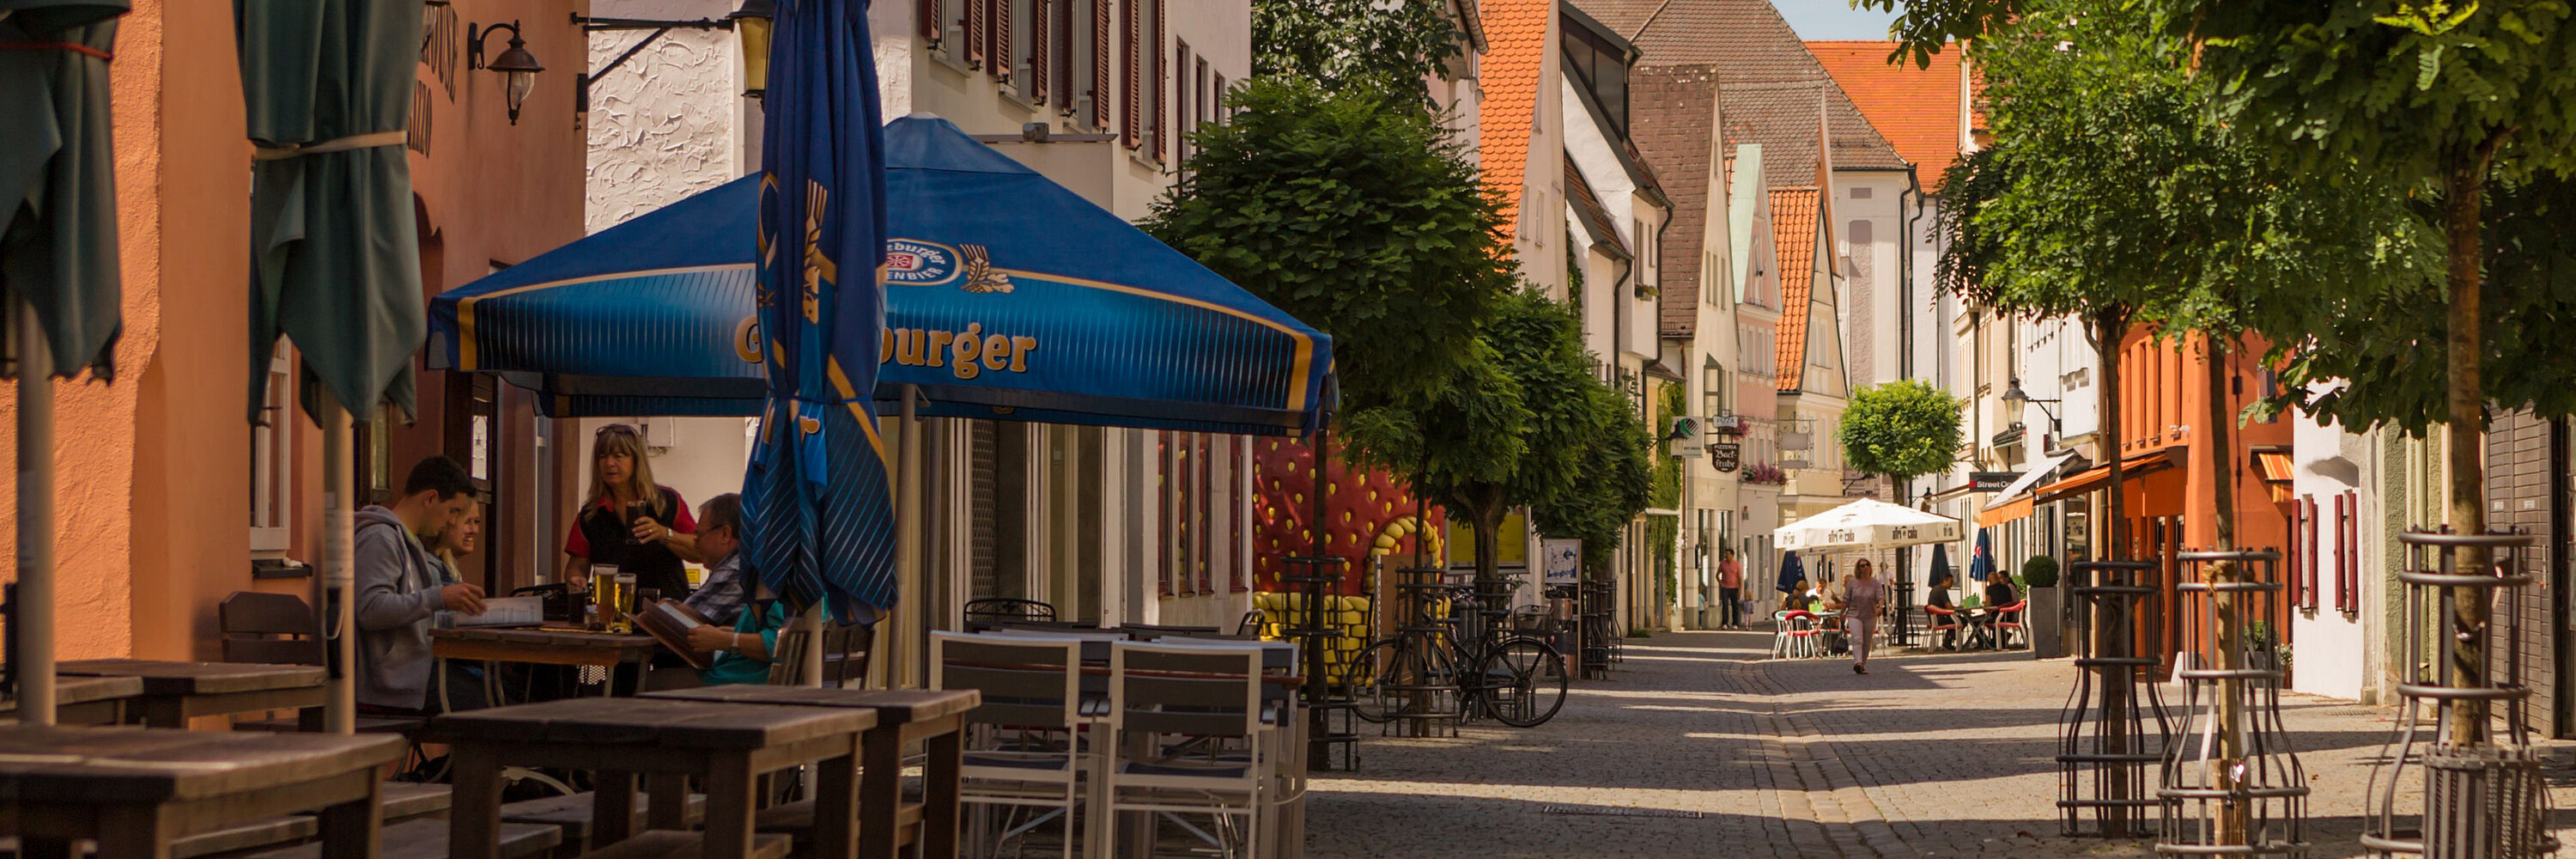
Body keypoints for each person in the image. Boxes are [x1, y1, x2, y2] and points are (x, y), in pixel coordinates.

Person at [355, 456, 489, 714]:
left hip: (416, 674)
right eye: (453, 511)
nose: (452, 522)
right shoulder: (380, 538)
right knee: (502, 707)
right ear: (430, 499)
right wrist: (439, 597)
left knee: (510, 693)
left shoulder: (409, 544)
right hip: (395, 686)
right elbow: (370, 609)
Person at [562, 423, 701, 600]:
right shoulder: (591, 514)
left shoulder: (667, 501)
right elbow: (577, 564)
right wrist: (576, 578)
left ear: (637, 460)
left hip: (664, 613)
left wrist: (665, 534)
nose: (609, 463)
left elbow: (700, 552)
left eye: (618, 456)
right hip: (613, 614)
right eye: (602, 456)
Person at [681, 493, 751, 628]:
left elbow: (683, 619)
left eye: (699, 535)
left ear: (725, 534)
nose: (695, 542)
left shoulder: (736, 569)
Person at [1844, 558, 1886, 675]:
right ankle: (1857, 662)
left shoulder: (1875, 583)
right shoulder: (1853, 582)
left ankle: (1862, 664)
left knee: (1867, 641)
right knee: (1858, 639)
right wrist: (1842, 613)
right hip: (1854, 614)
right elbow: (1846, 598)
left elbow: (1880, 597)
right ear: (1859, 568)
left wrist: (1880, 607)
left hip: (1870, 614)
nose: (1865, 567)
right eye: (1862, 566)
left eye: (1867, 565)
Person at [430, 500, 483, 587]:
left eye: (476, 521)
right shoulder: (430, 567)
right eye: (466, 521)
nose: (474, 530)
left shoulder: (450, 567)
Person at [1717, 548, 1746, 630]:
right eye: (1726, 554)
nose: (1726, 556)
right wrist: (1721, 583)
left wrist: (1740, 589)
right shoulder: (1723, 564)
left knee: (1735, 606)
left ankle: (1735, 623)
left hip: (1734, 588)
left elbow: (1740, 577)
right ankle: (1725, 623)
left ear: (1732, 555)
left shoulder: (1737, 564)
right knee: (1725, 605)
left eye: (1728, 554)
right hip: (1725, 588)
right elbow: (1717, 575)